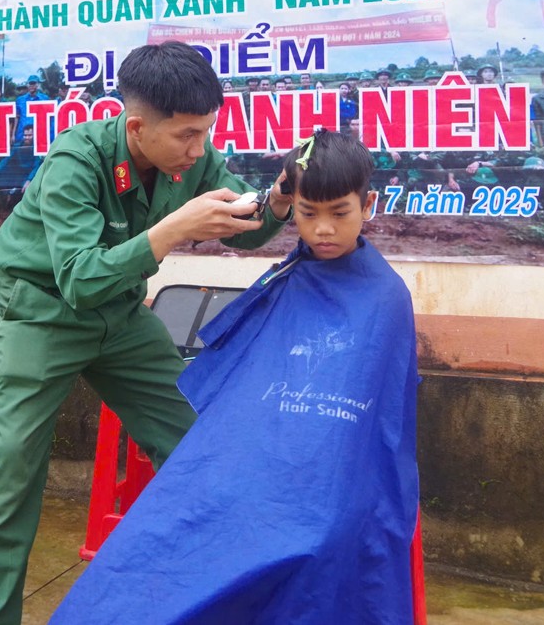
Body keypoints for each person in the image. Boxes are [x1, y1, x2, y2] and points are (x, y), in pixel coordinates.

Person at [0, 41, 295, 625]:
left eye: (207, 132)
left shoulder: (193, 157)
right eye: (187, 135)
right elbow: (79, 279)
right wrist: (174, 228)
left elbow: (246, 226)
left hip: (122, 314)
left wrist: (277, 201)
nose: (200, 149)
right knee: (11, 474)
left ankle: (220, 594)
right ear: (137, 127)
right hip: (43, 312)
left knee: (199, 438)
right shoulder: (75, 160)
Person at [50, 130, 419, 624]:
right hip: (255, 462)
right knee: (182, 516)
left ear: (367, 205)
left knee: (319, 539)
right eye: (308, 213)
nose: (323, 229)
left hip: (327, 482)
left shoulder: (385, 298)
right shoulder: (288, 280)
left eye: (339, 213)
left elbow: (381, 426)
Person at [14, 74, 50, 139]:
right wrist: (13, 134)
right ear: (27, 85)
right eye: (30, 84)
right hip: (22, 133)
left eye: (34, 83)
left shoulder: (44, 98)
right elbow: (17, 117)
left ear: (38, 85)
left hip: (39, 132)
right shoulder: (20, 100)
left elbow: (48, 117)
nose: (31, 86)